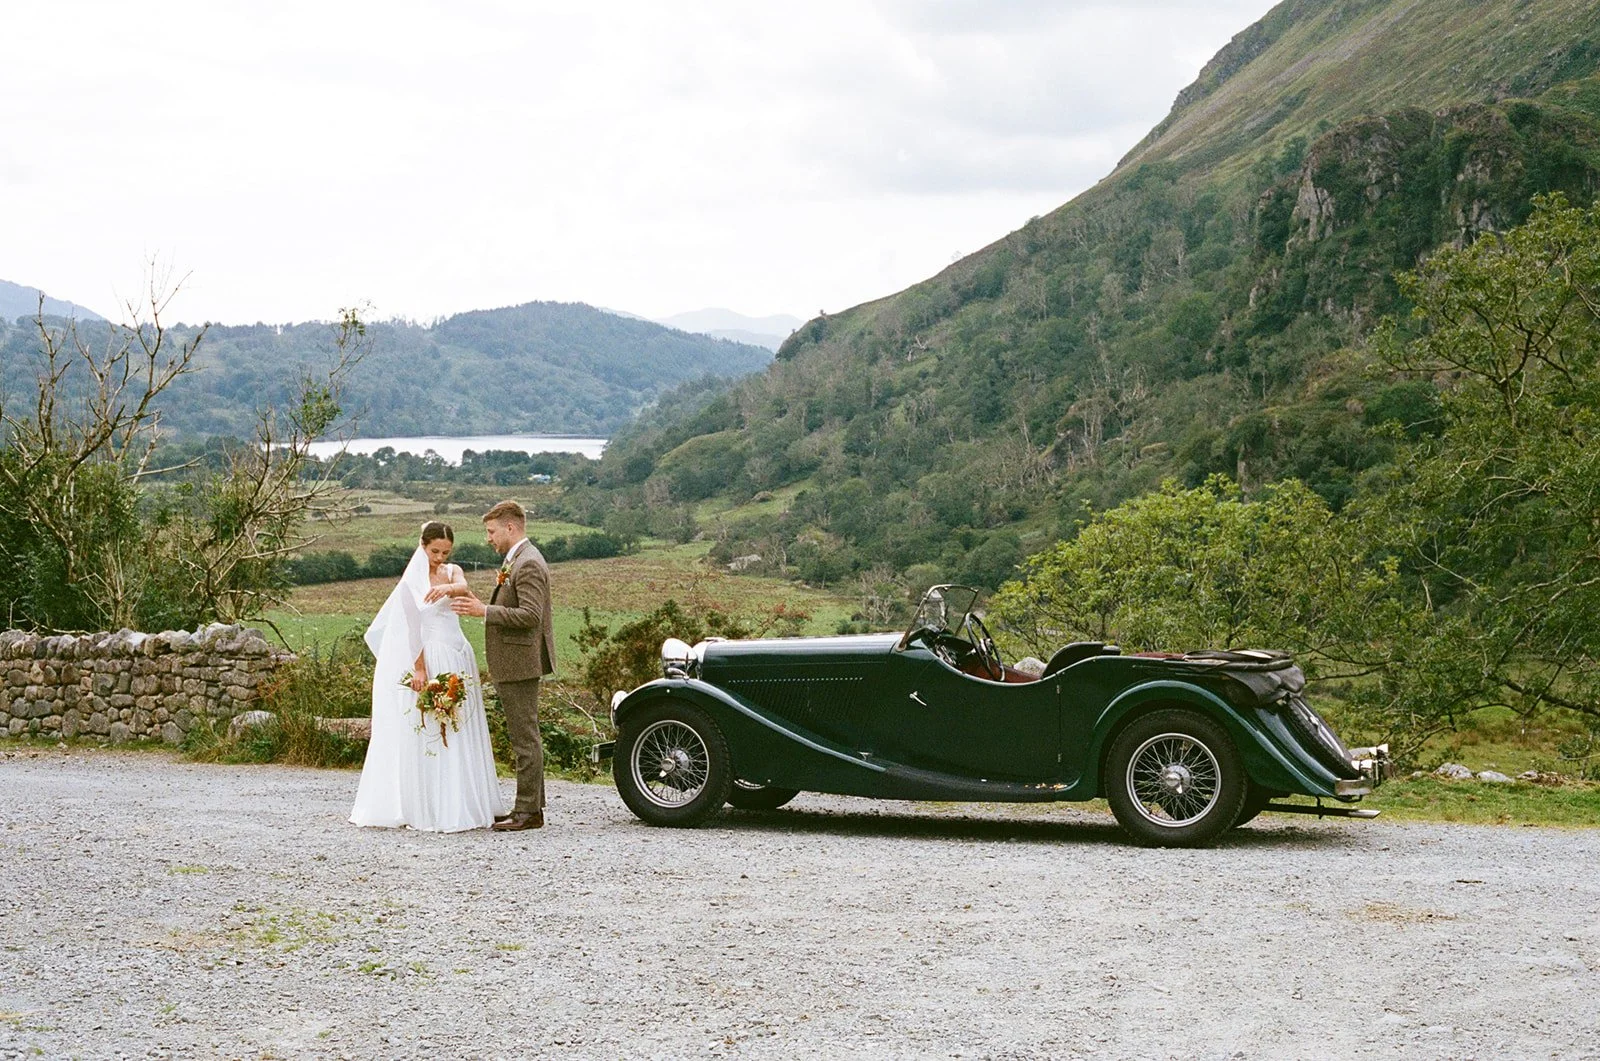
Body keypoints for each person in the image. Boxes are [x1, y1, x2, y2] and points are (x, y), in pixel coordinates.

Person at [349, 521, 503, 832]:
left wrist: (447, 586)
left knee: (461, 722)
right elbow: (411, 628)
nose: (440, 558)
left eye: (446, 552)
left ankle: (465, 798)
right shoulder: (410, 582)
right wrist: (420, 668)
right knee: (433, 724)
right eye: (435, 551)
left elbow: (463, 586)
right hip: (431, 655)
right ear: (423, 546)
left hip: (457, 652)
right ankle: (434, 802)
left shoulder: (452, 571)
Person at [451, 499, 555, 831]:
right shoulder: (519, 559)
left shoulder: (528, 564)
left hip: (520, 662)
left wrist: (485, 611)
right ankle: (531, 808)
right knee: (526, 734)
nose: (488, 539)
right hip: (515, 661)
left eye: (491, 531)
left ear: (510, 527)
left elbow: (531, 616)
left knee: (524, 737)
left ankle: (527, 812)